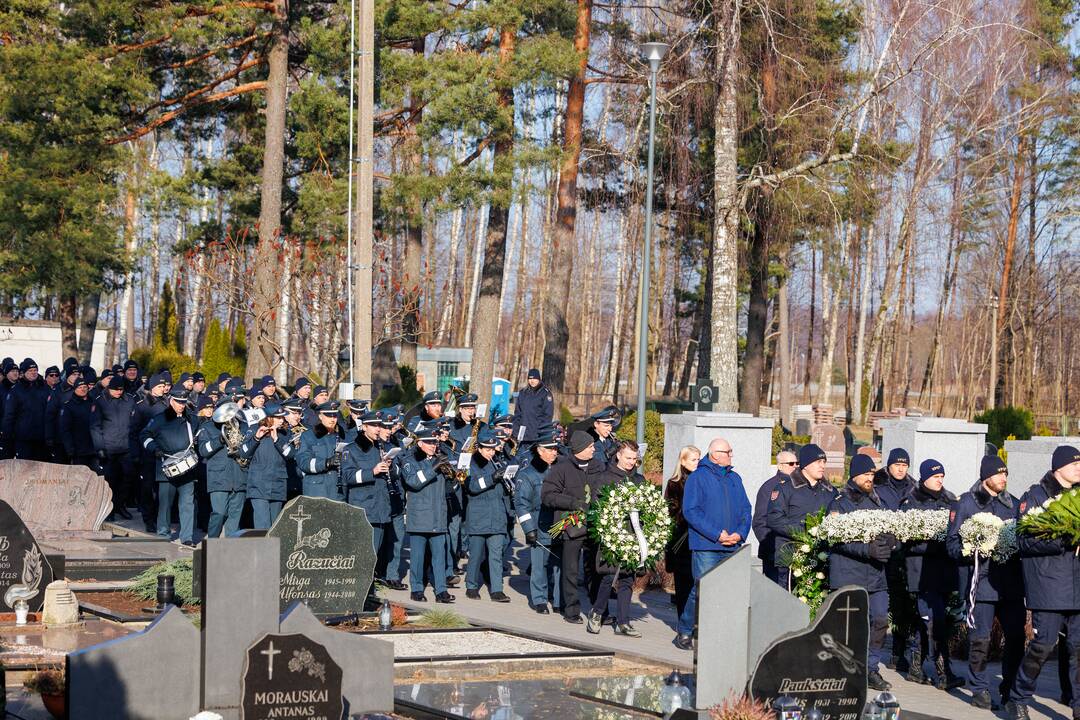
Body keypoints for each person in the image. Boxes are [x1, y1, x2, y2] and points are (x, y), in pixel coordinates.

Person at [946, 455, 1025, 711]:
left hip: (1010, 584)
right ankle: (979, 688)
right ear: (985, 476)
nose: (1004, 478)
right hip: (982, 584)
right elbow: (952, 543)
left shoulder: (1012, 503)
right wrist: (972, 549)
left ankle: (1009, 686)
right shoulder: (967, 503)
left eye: (1006, 474)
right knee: (980, 639)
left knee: (1014, 638)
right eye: (999, 473)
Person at [1010, 445, 1080, 720]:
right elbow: (1025, 541)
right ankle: (1018, 697)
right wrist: (1064, 539)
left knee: (1078, 650)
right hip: (1049, 585)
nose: (1079, 468)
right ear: (1058, 467)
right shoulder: (1036, 497)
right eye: (1074, 464)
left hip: (1077, 586)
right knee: (1043, 647)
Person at [828, 454, 899, 691]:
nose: (870, 478)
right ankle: (845, 669)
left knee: (880, 620)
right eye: (866, 474)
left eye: (872, 474)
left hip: (875, 575)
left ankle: (870, 668)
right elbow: (835, 538)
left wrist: (890, 542)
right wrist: (866, 550)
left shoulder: (878, 501)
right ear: (854, 475)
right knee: (851, 626)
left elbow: (890, 530)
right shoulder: (839, 502)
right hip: (850, 574)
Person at [674, 438, 752, 650]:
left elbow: (746, 509)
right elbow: (691, 511)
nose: (731, 455)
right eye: (728, 451)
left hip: (732, 545)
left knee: (728, 591)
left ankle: (721, 632)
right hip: (706, 545)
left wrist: (740, 533)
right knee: (702, 590)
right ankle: (685, 630)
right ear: (715, 454)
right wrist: (717, 534)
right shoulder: (698, 478)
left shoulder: (735, 478)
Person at [900, 459, 963, 689]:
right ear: (925, 477)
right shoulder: (911, 501)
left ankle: (916, 668)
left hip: (944, 573)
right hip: (921, 573)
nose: (940, 480)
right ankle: (943, 673)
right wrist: (934, 544)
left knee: (929, 621)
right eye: (936, 476)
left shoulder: (949, 499)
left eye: (942, 476)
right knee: (933, 622)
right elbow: (905, 538)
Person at [542, 430, 604, 624]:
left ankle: (600, 611)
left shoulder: (599, 466)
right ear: (579, 448)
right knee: (570, 571)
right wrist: (574, 503)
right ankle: (572, 611)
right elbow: (548, 496)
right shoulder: (561, 468)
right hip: (571, 526)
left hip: (595, 525)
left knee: (596, 569)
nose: (594, 448)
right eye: (590, 446)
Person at [587, 440, 646, 638]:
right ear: (618, 455)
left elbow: (646, 509)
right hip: (611, 535)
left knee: (628, 580)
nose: (631, 462)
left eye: (634, 459)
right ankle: (597, 613)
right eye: (628, 458)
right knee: (607, 576)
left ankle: (623, 622)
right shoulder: (604, 478)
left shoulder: (639, 480)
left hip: (633, 535)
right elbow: (596, 507)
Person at [766, 444, 838, 591]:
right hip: (790, 558)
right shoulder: (785, 488)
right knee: (789, 605)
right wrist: (805, 532)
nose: (822, 466)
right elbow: (774, 519)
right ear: (805, 465)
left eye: (824, 462)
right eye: (818, 462)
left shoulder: (830, 491)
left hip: (821, 557)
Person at [401, 421, 455, 603]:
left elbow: (451, 484)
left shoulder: (439, 458)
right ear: (420, 443)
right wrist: (434, 468)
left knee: (440, 558)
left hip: (438, 515)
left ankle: (441, 591)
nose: (434, 446)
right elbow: (413, 482)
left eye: (435, 443)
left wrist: (453, 475)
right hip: (420, 516)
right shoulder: (410, 460)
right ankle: (416, 589)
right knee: (417, 558)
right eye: (430, 443)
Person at [140, 387, 199, 546]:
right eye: (178, 402)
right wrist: (155, 449)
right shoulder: (160, 419)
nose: (181, 405)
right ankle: (163, 534)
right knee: (165, 504)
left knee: (187, 504)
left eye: (183, 402)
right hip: (167, 468)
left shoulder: (191, 419)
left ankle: (187, 537)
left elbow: (199, 433)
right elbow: (144, 435)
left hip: (188, 468)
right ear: (171, 400)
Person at [515, 431, 562, 614]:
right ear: (540, 451)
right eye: (550, 449)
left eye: (556, 448)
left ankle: (558, 600)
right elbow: (521, 504)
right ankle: (540, 599)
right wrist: (528, 529)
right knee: (539, 566)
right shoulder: (527, 474)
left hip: (560, 524)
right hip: (539, 524)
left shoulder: (561, 470)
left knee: (559, 566)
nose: (554, 452)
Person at [464, 427, 511, 603]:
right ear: (479, 448)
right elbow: (472, 487)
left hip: (497, 516)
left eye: (493, 449)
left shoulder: (497, 462)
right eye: (487, 449)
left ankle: (497, 589)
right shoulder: (471, 464)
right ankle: (471, 586)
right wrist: (493, 477)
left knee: (496, 555)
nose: (491, 452)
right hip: (478, 516)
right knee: (476, 555)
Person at [340, 411, 393, 568]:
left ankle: (368, 587)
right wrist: (372, 472)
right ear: (364, 427)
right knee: (361, 554)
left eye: (379, 425)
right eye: (374, 425)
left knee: (373, 555)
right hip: (363, 509)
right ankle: (360, 590)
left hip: (381, 509)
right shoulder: (352, 449)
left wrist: (391, 467)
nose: (378, 429)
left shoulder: (381, 447)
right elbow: (348, 477)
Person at [198, 398, 249, 538]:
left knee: (235, 517)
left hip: (239, 475)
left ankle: (230, 551)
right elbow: (203, 450)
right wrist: (219, 440)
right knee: (219, 513)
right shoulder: (207, 427)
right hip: (219, 477)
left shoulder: (242, 425)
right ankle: (212, 543)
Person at [91, 374, 136, 519]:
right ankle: (109, 508)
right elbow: (95, 427)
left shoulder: (129, 400)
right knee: (110, 479)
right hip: (109, 447)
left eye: (121, 389)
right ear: (109, 389)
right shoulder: (100, 401)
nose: (118, 392)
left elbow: (135, 423)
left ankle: (120, 504)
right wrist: (100, 448)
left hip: (126, 446)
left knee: (128, 477)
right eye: (115, 390)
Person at [664, 445, 700, 622]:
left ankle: (695, 621)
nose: (697, 463)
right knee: (683, 581)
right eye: (693, 459)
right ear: (683, 461)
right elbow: (670, 511)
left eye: (698, 459)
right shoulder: (675, 483)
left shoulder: (701, 479)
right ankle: (683, 620)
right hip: (681, 536)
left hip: (698, 536)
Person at [245, 403, 291, 529]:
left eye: (283, 417)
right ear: (269, 418)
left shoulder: (285, 433)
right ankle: (262, 549)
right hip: (258, 484)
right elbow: (243, 452)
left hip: (278, 483)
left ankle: (273, 549)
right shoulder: (255, 429)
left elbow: (290, 454)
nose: (282, 420)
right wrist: (256, 438)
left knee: (275, 525)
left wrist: (277, 440)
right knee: (263, 524)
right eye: (278, 418)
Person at [753, 450, 796, 584]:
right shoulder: (770, 487)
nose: (795, 466)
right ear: (780, 466)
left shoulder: (799, 486)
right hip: (774, 553)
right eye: (791, 463)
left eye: (797, 463)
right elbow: (760, 521)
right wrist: (772, 546)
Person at [2, 358, 50, 461]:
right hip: (23, 438)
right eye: (30, 371)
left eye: (35, 370)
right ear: (23, 373)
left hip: (42, 438)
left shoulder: (44, 388)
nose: (33, 373)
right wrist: (7, 437)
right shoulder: (16, 390)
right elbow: (9, 415)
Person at [296, 401, 345, 499]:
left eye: (334, 416)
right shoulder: (308, 436)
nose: (332, 419)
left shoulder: (341, 436)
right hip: (316, 490)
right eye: (328, 416)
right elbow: (303, 462)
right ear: (320, 416)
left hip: (337, 491)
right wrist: (326, 463)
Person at [58, 376, 97, 470]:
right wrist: (70, 448)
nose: (83, 389)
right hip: (78, 450)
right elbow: (65, 429)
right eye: (80, 387)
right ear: (75, 389)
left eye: (85, 387)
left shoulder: (94, 403)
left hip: (94, 448)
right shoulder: (69, 406)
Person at [511, 369, 553, 450]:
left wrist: (542, 433)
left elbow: (547, 416)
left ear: (539, 379)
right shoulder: (523, 393)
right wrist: (515, 431)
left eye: (534, 379)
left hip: (537, 435)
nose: (532, 381)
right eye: (530, 379)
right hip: (523, 434)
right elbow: (517, 413)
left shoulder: (545, 393)